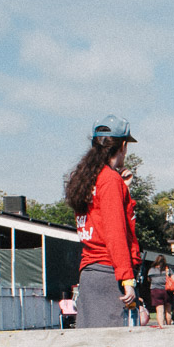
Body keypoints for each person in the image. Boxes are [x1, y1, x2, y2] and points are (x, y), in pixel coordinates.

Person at [66, 115, 140, 327]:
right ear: (123, 145)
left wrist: (123, 191)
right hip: (110, 274)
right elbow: (115, 234)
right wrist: (127, 279)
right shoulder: (109, 179)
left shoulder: (86, 178)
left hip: (89, 275)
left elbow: (97, 221)